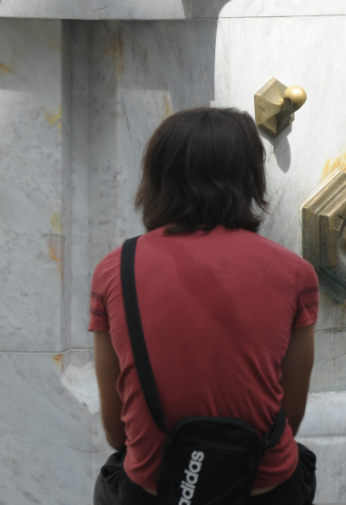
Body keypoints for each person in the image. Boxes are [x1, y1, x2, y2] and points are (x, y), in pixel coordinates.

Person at [90, 108, 318, 505]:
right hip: (263, 487)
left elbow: (116, 430)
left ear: (159, 177)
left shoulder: (114, 270)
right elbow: (290, 417)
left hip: (155, 488)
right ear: (250, 177)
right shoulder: (295, 273)